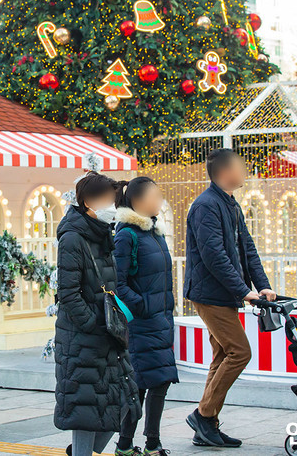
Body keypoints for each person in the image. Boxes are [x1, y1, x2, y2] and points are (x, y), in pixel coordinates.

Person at [183, 149, 276, 448]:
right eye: (241, 166)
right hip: (209, 293)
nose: (246, 170)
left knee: (223, 355)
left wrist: (262, 286)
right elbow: (214, 256)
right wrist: (243, 290)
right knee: (240, 352)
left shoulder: (230, 204)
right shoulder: (205, 206)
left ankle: (206, 425)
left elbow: (247, 248)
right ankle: (203, 415)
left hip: (222, 293)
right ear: (225, 172)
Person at [54, 171, 142, 456]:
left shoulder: (103, 233)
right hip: (83, 337)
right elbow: (68, 294)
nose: (112, 207)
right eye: (107, 200)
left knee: (125, 403)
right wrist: (93, 324)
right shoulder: (73, 238)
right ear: (88, 202)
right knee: (86, 407)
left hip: (107, 333)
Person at [112, 177, 178, 456]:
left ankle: (152, 442)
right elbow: (117, 282)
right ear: (137, 201)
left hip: (160, 320)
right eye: (156, 195)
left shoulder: (155, 232)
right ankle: (125, 445)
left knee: (160, 381)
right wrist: (142, 307)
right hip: (141, 323)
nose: (160, 200)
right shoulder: (127, 234)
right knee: (139, 385)